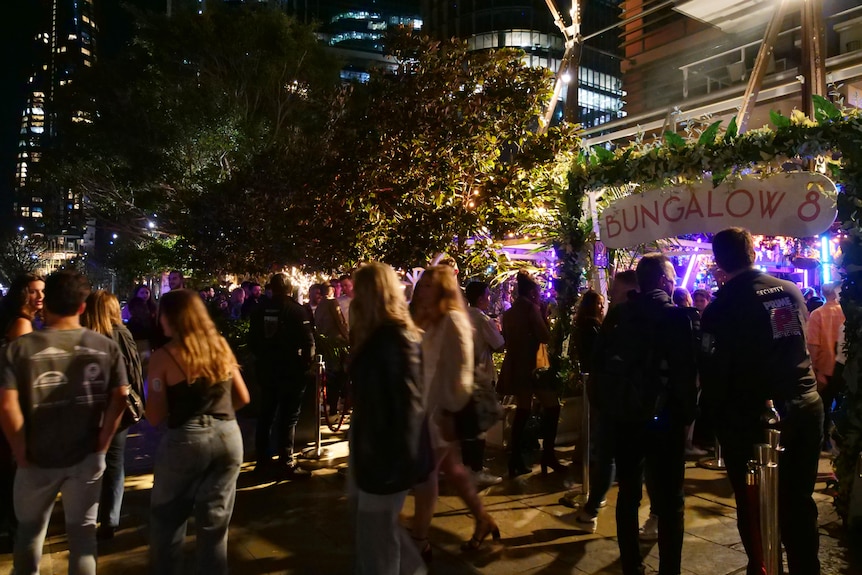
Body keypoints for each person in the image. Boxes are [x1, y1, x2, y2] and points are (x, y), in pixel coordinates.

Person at [700, 227, 823, 575]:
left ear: (719, 261)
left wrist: (716, 421)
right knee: (799, 499)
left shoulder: (722, 306)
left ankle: (764, 566)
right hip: (804, 402)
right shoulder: (790, 290)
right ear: (752, 253)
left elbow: (714, 373)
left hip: (753, 416)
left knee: (754, 503)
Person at [0, 270, 129, 575]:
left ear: (46, 304)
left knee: (29, 537)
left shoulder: (21, 348)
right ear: (82, 307)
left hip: (35, 456)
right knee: (83, 539)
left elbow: (7, 405)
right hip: (86, 454)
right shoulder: (105, 346)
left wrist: (20, 450)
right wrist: (103, 442)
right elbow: (121, 396)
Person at [594, 254, 697, 575]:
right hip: (665, 421)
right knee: (671, 502)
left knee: (628, 493)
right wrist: (686, 416)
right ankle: (670, 568)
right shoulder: (679, 318)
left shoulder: (619, 314)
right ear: (667, 282)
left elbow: (598, 366)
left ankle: (630, 565)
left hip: (625, 417)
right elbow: (686, 375)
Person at [146, 289, 250, 575]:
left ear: (173, 317)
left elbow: (154, 415)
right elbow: (242, 397)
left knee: (168, 520)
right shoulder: (219, 346)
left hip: (186, 439)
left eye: (162, 313)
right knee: (215, 524)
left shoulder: (164, 356)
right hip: (229, 435)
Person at [411, 265, 499, 560]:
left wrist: (447, 412)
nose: (420, 290)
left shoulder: (453, 319)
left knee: (426, 476)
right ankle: (482, 519)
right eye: (420, 285)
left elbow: (461, 371)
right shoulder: (434, 319)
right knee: (454, 471)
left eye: (426, 285)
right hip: (431, 409)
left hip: (441, 412)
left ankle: (419, 539)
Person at [348, 263, 429, 575]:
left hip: (384, 459)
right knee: (378, 536)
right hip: (378, 455)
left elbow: (405, 408)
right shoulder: (386, 337)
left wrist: (386, 464)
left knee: (377, 542)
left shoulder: (391, 340)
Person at [81, 290, 145, 540]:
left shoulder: (85, 336)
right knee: (115, 464)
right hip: (117, 409)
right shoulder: (121, 334)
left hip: (89, 408)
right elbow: (133, 373)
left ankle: (89, 514)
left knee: (92, 462)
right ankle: (110, 519)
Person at [249, 273, 316, 479]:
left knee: (266, 415)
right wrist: (306, 366)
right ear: (289, 288)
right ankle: (286, 461)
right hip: (290, 372)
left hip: (267, 371)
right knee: (288, 417)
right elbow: (308, 344)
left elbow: (252, 342)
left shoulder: (259, 309)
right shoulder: (297, 310)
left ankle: (263, 462)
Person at [498, 271, 558, 478]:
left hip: (515, 364)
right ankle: (548, 454)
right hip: (532, 367)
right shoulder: (532, 308)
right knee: (552, 407)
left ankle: (515, 458)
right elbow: (544, 336)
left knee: (523, 410)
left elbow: (505, 338)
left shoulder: (510, 312)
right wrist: (543, 316)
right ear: (532, 292)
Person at [463, 281, 505, 487]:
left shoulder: (462, 315)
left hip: (463, 375)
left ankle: (468, 466)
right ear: (480, 298)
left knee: (468, 424)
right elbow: (499, 344)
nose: (489, 299)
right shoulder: (482, 319)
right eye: (488, 295)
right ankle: (476, 469)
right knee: (479, 424)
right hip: (480, 375)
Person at [807, 281, 845, 451]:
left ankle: (824, 441)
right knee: (843, 406)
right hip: (844, 368)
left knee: (823, 407)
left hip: (825, 367)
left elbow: (813, 345)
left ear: (823, 293)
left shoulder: (817, 314)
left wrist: (816, 369)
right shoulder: (846, 312)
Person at [2, 274, 45, 341]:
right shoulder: (22, 323)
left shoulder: (37, 317)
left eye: (43, 291)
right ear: (21, 294)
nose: (40, 296)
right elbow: (26, 350)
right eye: (32, 292)